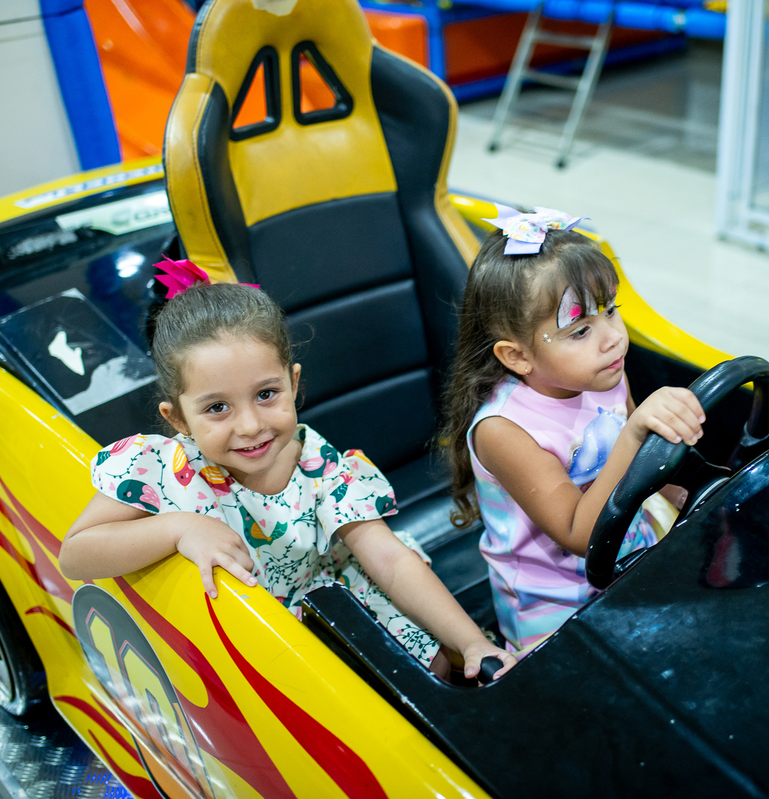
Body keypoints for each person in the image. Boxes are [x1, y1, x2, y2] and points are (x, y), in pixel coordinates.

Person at [60, 267, 515, 682]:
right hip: (238, 648)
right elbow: (76, 555)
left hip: (324, 603)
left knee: (432, 666)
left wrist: (472, 641)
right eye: (217, 407)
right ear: (177, 418)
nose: (251, 425)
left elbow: (390, 559)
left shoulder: (316, 462)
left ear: (293, 383)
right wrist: (180, 525)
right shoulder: (162, 470)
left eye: (266, 393)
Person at [440, 206, 705, 657]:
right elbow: (578, 534)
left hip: (632, 549)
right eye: (580, 329)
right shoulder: (504, 429)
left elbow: (643, 464)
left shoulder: (600, 372)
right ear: (517, 356)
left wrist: (676, 492)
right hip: (556, 605)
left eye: (611, 311)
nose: (613, 338)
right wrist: (634, 434)